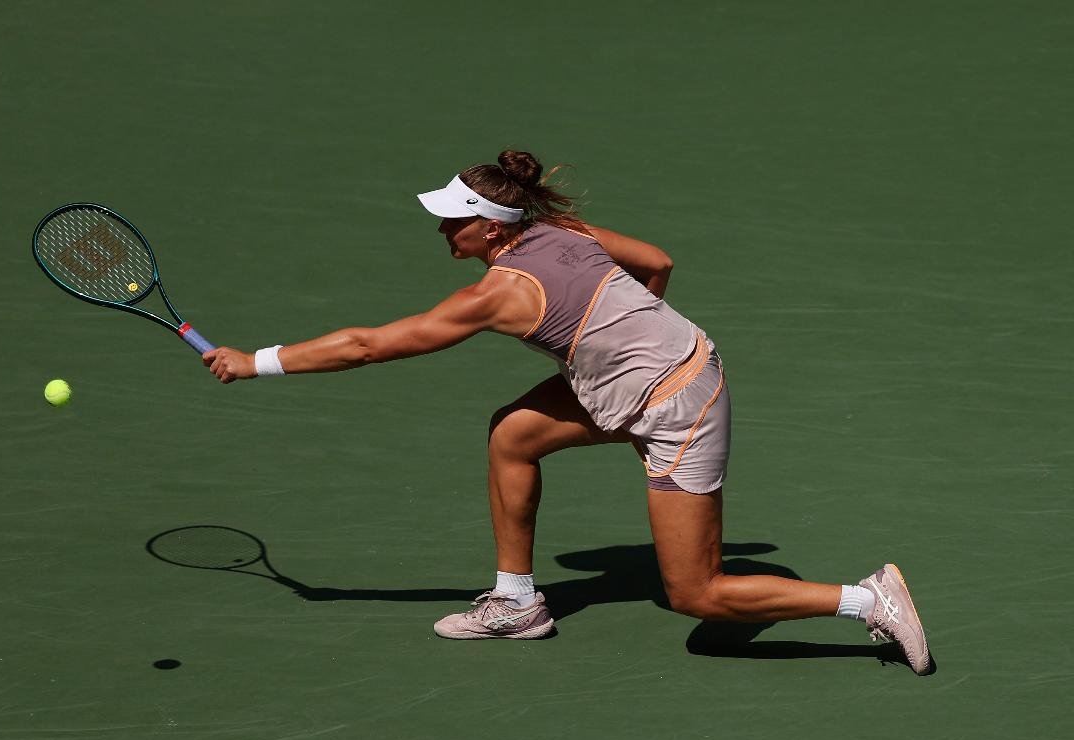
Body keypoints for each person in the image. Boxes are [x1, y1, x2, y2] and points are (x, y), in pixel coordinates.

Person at [202, 150, 933, 675]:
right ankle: (516, 603)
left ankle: (866, 599)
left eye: (453, 222)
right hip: (639, 379)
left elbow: (367, 346)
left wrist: (254, 361)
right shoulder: (563, 231)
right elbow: (657, 262)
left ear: (491, 229)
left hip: (678, 404)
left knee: (695, 595)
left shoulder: (497, 293)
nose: (442, 232)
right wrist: (627, 339)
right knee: (513, 435)